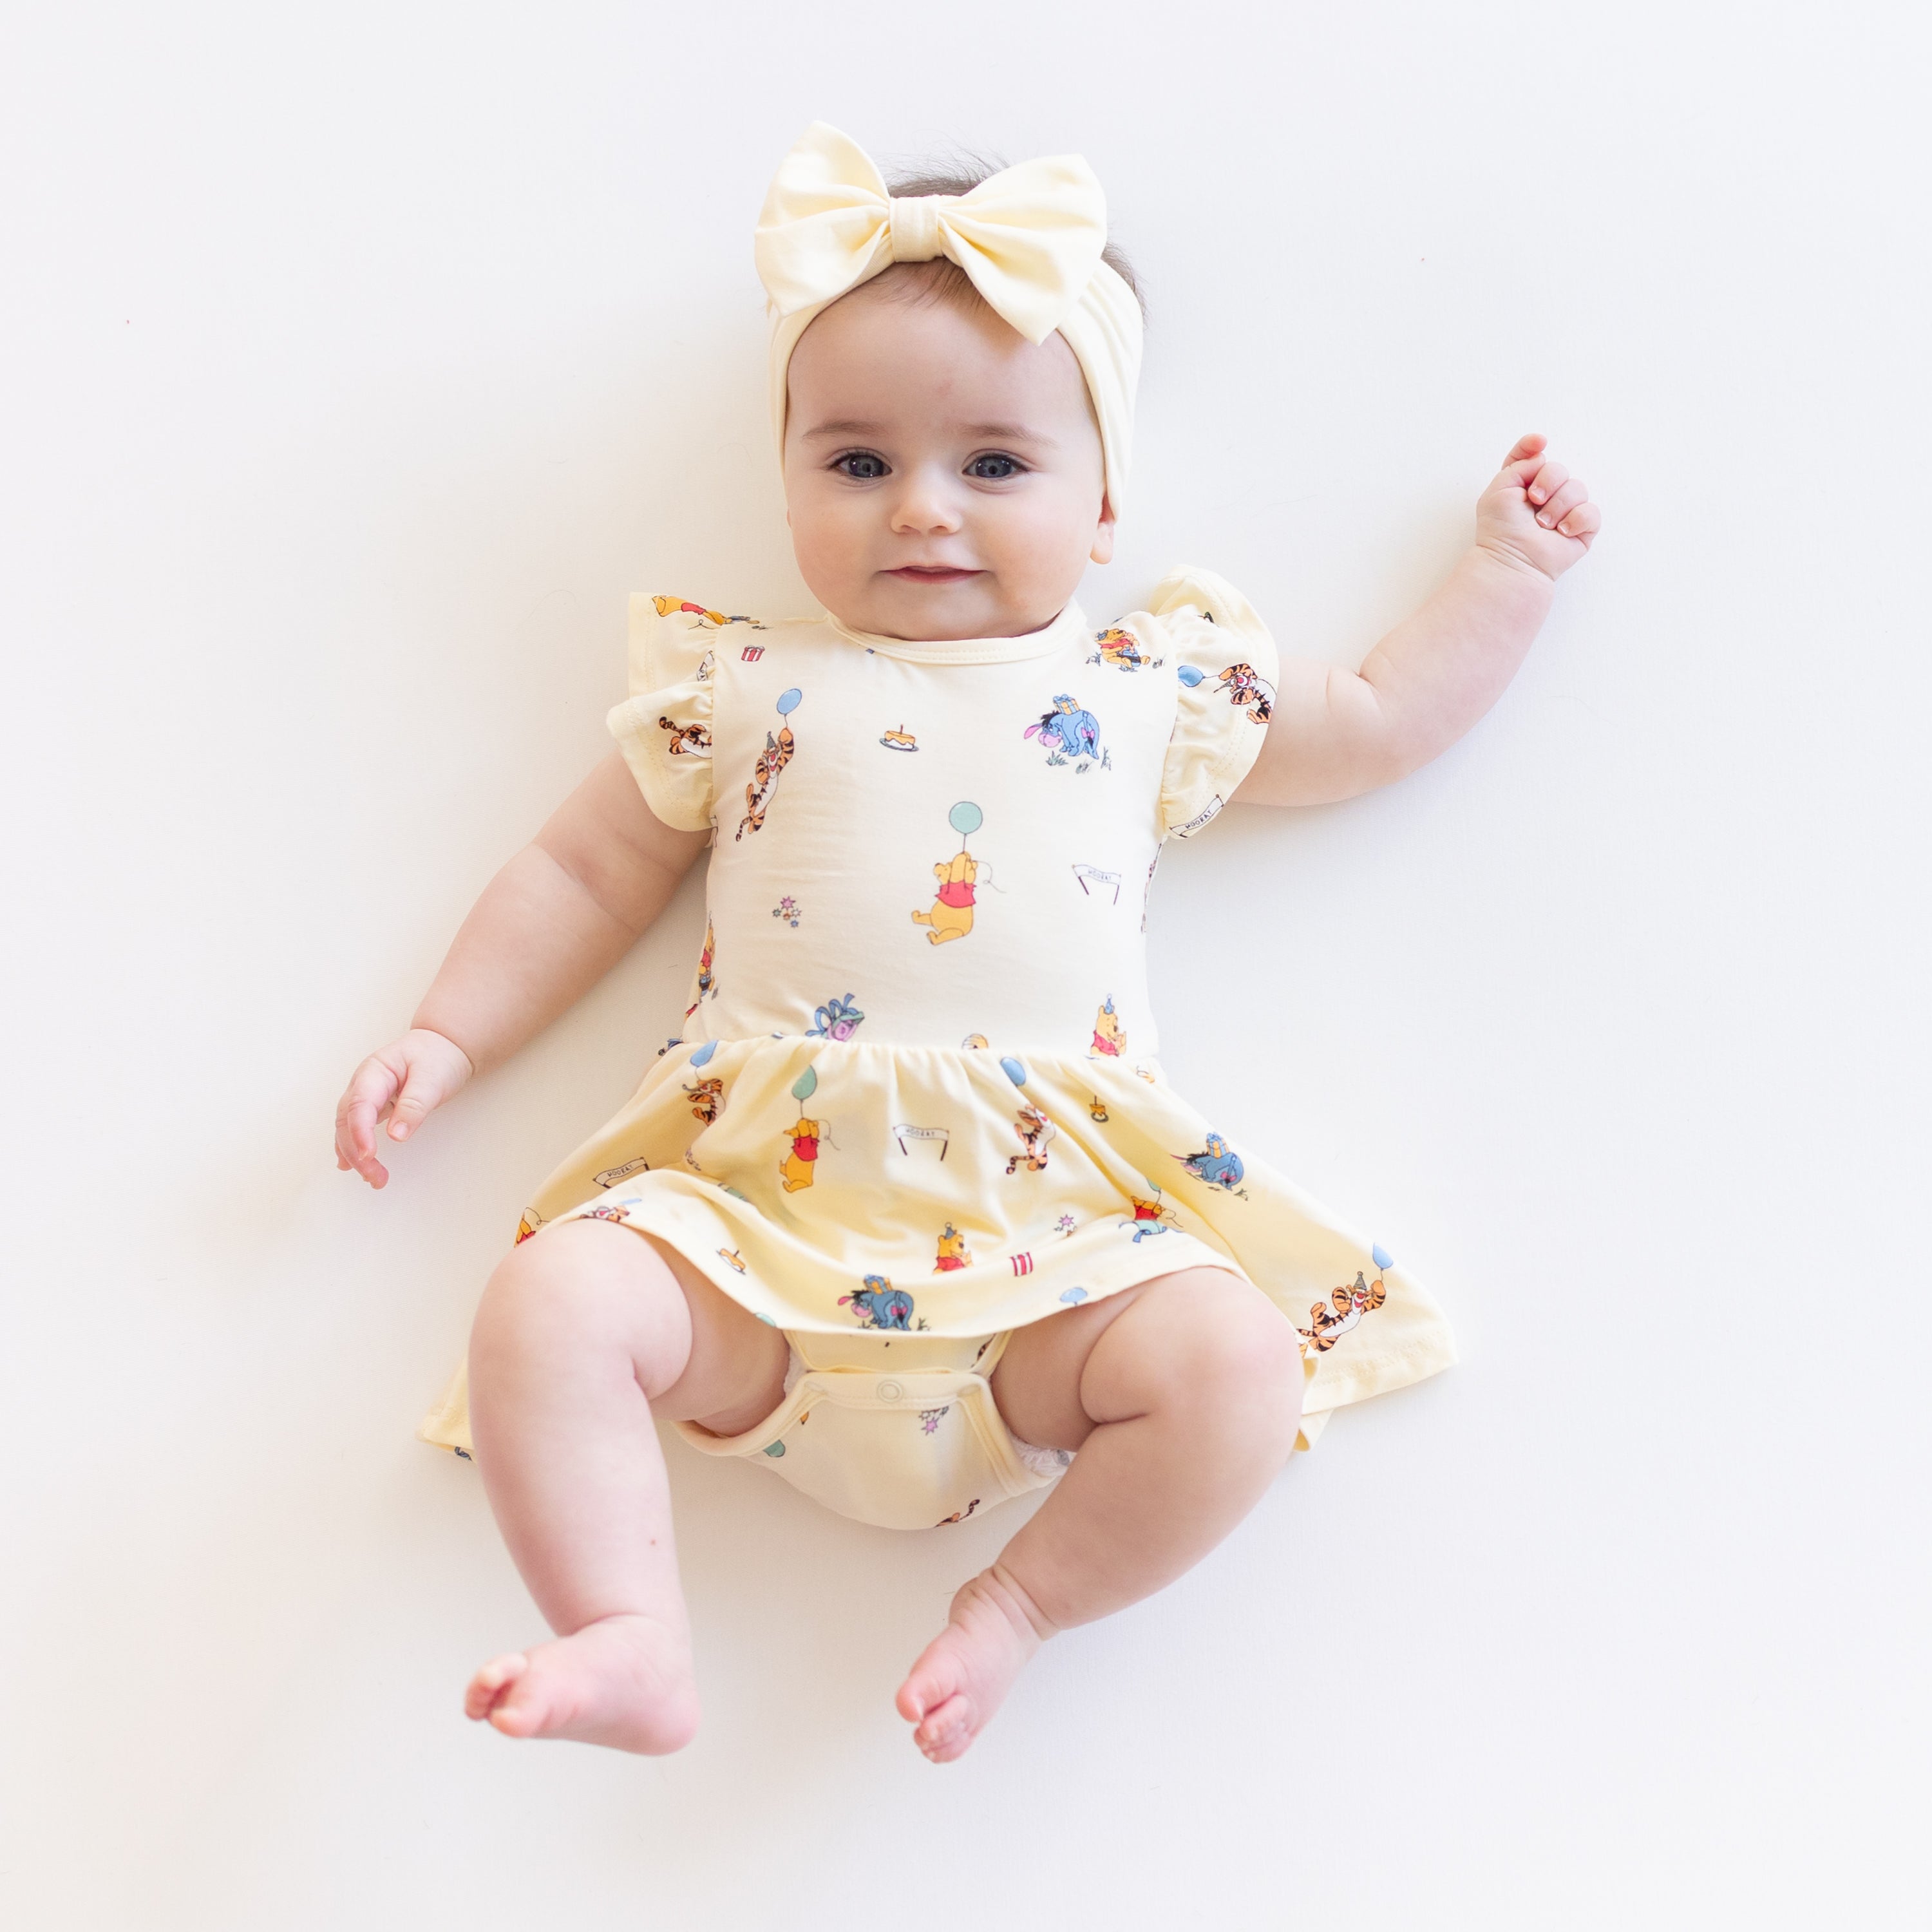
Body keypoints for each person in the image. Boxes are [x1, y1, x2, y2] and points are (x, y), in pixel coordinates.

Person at [334, 123, 1599, 1764]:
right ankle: (625, 1629)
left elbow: (1364, 724)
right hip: (753, 1245)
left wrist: (1508, 571)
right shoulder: (739, 690)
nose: (921, 509)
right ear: (786, 475)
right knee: (553, 1302)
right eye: (857, 464)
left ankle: (1020, 1608)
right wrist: (445, 1036)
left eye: (993, 466)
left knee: (1230, 1363)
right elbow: (582, 874)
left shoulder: (1153, 688)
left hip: (1049, 1272)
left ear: (1103, 506)